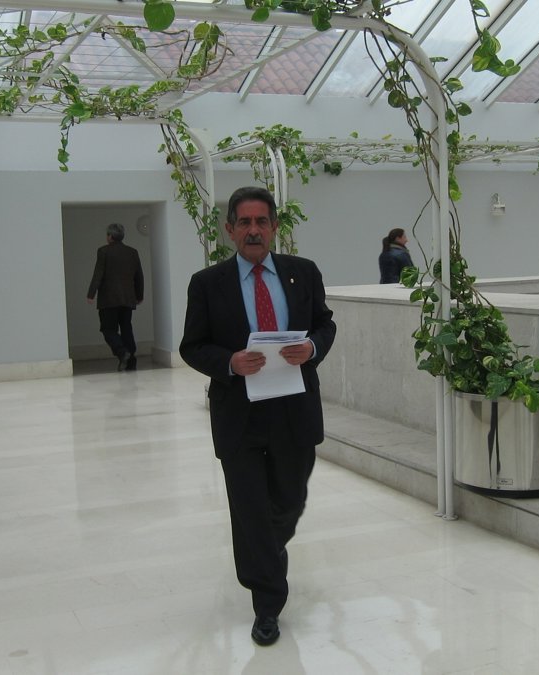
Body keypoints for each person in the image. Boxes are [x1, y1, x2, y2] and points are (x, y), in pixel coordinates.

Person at [179, 186, 337, 647]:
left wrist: (312, 347)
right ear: (229, 229)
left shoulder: (303, 273)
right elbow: (192, 346)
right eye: (244, 222)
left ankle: (264, 552)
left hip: (294, 410)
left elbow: (325, 323)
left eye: (261, 222)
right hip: (239, 415)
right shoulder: (207, 284)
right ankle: (267, 603)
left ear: (274, 227)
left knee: (288, 502)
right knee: (249, 509)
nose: (253, 230)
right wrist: (229, 362)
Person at [86, 222, 144, 371]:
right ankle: (131, 361)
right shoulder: (132, 252)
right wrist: (139, 295)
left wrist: (91, 294)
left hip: (108, 299)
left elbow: (98, 274)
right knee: (126, 329)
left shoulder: (103, 251)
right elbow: (139, 276)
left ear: (110, 236)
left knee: (108, 329)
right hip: (128, 298)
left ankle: (122, 352)